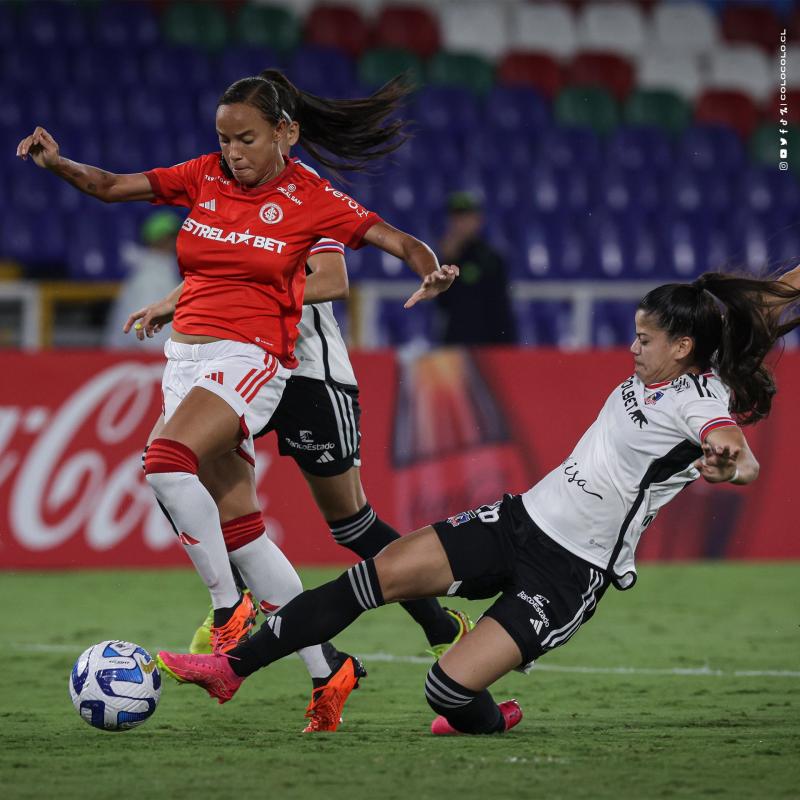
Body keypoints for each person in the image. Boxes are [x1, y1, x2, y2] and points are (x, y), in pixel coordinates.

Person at [156, 268, 800, 734]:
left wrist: (729, 463)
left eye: (645, 339)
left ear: (681, 348)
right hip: (517, 520)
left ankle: (494, 719)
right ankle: (231, 668)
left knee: (447, 692)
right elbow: (772, 297)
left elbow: (737, 453)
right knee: (365, 581)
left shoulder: (701, 401)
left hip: (572, 570)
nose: (633, 348)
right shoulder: (668, 368)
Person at [16, 74, 458, 727]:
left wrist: (429, 266)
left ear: (285, 131)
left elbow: (358, 260)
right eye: (224, 138)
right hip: (198, 356)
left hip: (288, 365)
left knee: (340, 519)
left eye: (244, 138)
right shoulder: (210, 176)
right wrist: (57, 165)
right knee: (240, 525)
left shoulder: (310, 196)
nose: (233, 152)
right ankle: (326, 668)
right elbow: (116, 191)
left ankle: (253, 610)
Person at [435, 190, 516, 346]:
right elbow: (442, 303)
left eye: (466, 218)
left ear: (478, 220)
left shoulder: (491, 259)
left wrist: (506, 350)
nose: (460, 224)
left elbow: (500, 309)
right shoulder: (447, 258)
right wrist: (447, 261)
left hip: (487, 345)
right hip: (454, 344)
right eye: (456, 218)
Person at [105, 210, 183, 350]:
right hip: (144, 358)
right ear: (161, 240)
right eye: (174, 237)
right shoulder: (151, 278)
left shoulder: (160, 271)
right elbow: (147, 337)